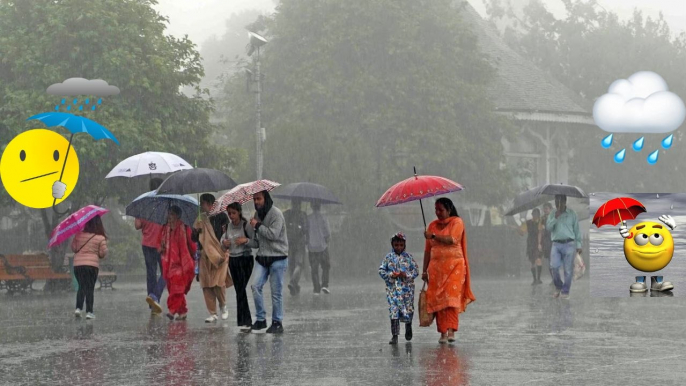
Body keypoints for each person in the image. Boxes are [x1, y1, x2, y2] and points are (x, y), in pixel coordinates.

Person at [422, 197, 476, 344]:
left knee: (451, 299)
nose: (438, 213)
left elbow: (452, 239)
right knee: (439, 300)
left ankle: (451, 330)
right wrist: (424, 270)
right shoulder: (432, 226)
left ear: (449, 209)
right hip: (436, 270)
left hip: (455, 267)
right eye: (436, 210)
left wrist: (433, 236)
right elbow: (427, 251)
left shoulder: (457, 222)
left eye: (441, 210)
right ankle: (443, 333)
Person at [250, 190, 288, 334]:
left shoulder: (276, 214)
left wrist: (258, 226)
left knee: (276, 292)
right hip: (262, 257)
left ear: (265, 198)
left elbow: (273, 234)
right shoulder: (256, 215)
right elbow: (257, 240)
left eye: (258, 199)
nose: (256, 202)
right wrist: (245, 240)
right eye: (254, 199)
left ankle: (277, 322)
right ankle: (261, 319)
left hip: (278, 257)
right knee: (255, 286)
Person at [193, 193, 231, 323]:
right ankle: (212, 312)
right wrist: (196, 232)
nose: (201, 206)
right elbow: (194, 238)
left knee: (218, 283)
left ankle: (223, 306)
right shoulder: (200, 219)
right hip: (204, 255)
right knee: (206, 284)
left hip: (220, 254)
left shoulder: (222, 217)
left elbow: (227, 234)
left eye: (202, 203)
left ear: (210, 204)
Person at [221, 202, 258, 332]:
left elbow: (256, 243)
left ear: (239, 212)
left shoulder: (245, 225)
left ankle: (246, 321)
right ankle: (244, 321)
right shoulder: (227, 227)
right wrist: (224, 243)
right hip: (233, 261)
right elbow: (223, 243)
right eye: (229, 213)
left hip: (245, 260)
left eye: (234, 213)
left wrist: (245, 241)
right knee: (239, 290)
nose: (231, 216)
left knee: (241, 289)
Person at [379, 232, 419, 345]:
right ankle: (395, 335)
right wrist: (391, 275)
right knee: (394, 311)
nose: (399, 248)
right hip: (393, 291)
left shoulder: (409, 258)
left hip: (407, 291)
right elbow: (381, 270)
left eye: (401, 245)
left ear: (404, 245)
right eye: (396, 245)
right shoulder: (388, 258)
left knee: (408, 309)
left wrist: (406, 275)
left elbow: (415, 271)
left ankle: (408, 326)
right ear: (392, 245)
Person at [158, 205, 196, 320]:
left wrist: (195, 256)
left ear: (178, 215)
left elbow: (192, 244)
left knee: (177, 289)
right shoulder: (164, 229)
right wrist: (161, 247)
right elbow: (159, 244)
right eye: (169, 214)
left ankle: (172, 310)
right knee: (172, 287)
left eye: (172, 214)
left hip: (181, 264)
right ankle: (182, 311)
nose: (169, 217)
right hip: (168, 264)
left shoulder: (185, 228)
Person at [135, 178, 165, 314]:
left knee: (151, 274)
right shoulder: (165, 203)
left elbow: (137, 225)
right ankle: (155, 296)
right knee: (166, 272)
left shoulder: (144, 203)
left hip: (147, 244)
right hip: (162, 244)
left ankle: (152, 304)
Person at [546, 195, 582, 299]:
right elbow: (548, 228)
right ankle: (559, 286)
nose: (559, 204)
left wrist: (579, 245)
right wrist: (555, 217)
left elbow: (577, 231)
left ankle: (565, 291)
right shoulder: (552, 213)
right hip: (556, 244)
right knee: (554, 267)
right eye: (557, 202)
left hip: (569, 244)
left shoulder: (572, 214)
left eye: (560, 202)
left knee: (568, 270)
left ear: (565, 202)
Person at [72, 216, 108, 319]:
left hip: (78, 266)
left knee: (81, 286)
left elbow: (74, 248)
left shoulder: (78, 235)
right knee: (89, 288)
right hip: (91, 266)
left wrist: (76, 238)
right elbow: (102, 254)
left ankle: (78, 308)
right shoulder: (100, 238)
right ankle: (89, 311)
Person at [283, 199, 308, 296]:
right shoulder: (303, 215)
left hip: (289, 242)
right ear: (300, 205)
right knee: (299, 264)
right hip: (299, 243)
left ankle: (294, 286)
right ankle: (293, 282)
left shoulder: (286, 214)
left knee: (292, 264)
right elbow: (305, 229)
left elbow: (283, 227)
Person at [307, 201, 331, 294]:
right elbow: (328, 233)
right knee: (326, 266)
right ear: (320, 207)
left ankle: (316, 288)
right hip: (322, 246)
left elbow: (306, 231)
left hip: (312, 247)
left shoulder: (308, 218)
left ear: (312, 207)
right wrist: (326, 239)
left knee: (314, 269)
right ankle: (325, 285)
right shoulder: (323, 217)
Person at [518, 208, 543, 285]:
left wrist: (539, 243)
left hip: (537, 242)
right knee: (532, 261)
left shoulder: (540, 222)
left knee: (538, 259)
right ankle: (534, 279)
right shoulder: (528, 223)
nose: (535, 216)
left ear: (539, 215)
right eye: (534, 214)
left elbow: (540, 232)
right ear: (532, 215)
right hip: (530, 243)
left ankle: (538, 278)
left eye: (537, 214)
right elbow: (522, 233)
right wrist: (519, 229)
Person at [541, 202, 554, 284]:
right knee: (549, 260)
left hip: (554, 239)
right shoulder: (542, 219)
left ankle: (556, 277)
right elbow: (541, 231)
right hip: (546, 240)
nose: (545, 210)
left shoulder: (554, 218)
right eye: (544, 209)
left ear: (550, 209)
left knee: (554, 259)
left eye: (547, 208)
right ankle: (553, 278)